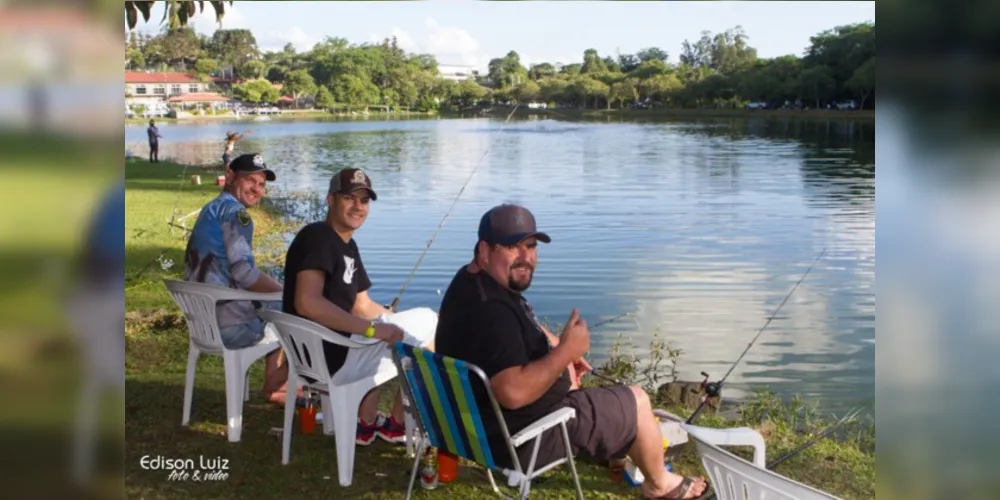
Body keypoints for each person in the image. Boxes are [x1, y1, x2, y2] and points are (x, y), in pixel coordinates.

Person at [434, 204, 707, 499]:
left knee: (599, 395)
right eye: (513, 247)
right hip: (517, 442)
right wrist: (564, 353)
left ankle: (618, 451)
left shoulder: (471, 282)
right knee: (637, 400)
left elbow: (521, 332)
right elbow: (511, 392)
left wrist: (558, 347)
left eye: (531, 246)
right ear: (485, 250)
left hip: (470, 428)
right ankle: (659, 485)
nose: (526, 257)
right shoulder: (493, 312)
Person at [282, 167, 437, 446]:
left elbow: (361, 305)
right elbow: (306, 302)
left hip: (326, 353)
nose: (358, 206)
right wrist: (373, 330)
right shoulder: (318, 238)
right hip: (327, 358)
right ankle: (398, 424)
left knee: (415, 331)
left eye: (364, 200)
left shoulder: (347, 247)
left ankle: (366, 425)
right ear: (331, 200)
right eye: (350, 198)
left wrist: (391, 323)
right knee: (431, 322)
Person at [183, 152, 291, 403]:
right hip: (229, 328)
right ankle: (276, 387)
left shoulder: (212, 208)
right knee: (294, 311)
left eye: (262, 184)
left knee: (276, 304)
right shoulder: (236, 214)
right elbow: (244, 273)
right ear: (231, 177)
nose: (257, 189)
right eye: (250, 180)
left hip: (203, 323)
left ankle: (275, 385)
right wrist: (284, 291)